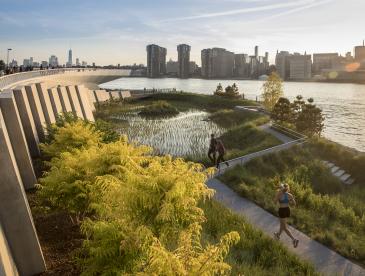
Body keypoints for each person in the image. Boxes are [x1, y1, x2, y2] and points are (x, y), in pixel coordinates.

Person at [274, 183, 299, 248]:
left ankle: (294, 240)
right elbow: (294, 203)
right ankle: (277, 234)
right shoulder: (289, 195)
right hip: (287, 210)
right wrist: (288, 201)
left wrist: (277, 195)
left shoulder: (279, 194)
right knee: (282, 225)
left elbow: (275, 202)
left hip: (282, 210)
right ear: (287, 188)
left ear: (281, 188)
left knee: (284, 227)